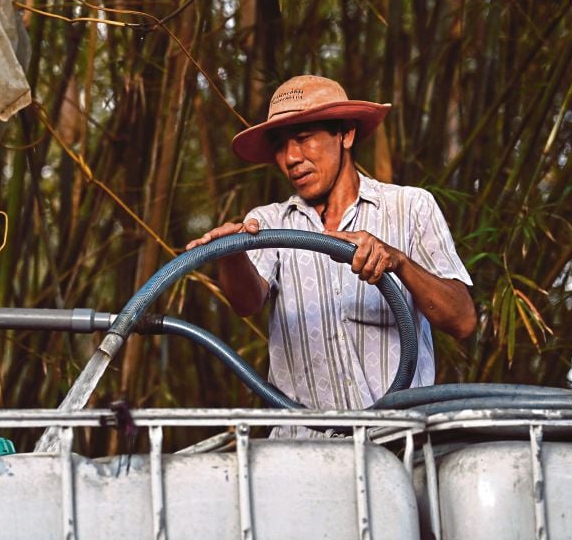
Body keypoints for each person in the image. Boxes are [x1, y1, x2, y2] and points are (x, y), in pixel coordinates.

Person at [186, 75, 476, 437]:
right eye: (280, 145)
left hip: (397, 444)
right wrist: (231, 253)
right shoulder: (268, 222)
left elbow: (462, 321)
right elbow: (247, 303)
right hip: (303, 456)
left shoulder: (410, 207)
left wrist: (398, 262)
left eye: (304, 138)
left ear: (346, 134)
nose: (291, 157)